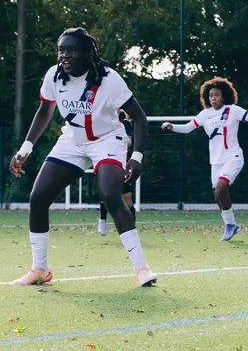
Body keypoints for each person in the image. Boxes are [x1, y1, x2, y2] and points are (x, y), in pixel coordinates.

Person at [8, 28, 156, 287]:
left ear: (88, 53)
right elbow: (44, 111)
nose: (65, 55)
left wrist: (137, 157)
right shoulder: (54, 76)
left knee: (111, 195)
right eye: (62, 50)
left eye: (72, 50)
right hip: (72, 141)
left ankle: (142, 268)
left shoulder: (109, 79)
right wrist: (25, 149)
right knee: (38, 197)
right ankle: (40, 269)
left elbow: (139, 117)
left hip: (107, 140)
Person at [161, 77, 248, 241]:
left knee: (221, 188)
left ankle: (230, 225)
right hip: (215, 161)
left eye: (216, 95)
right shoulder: (205, 114)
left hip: (233, 156)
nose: (213, 98)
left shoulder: (233, 110)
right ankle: (231, 225)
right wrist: (172, 126)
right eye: (210, 96)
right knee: (217, 195)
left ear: (224, 96)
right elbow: (188, 128)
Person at [98, 109, 136, 236]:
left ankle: (131, 228)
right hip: (105, 161)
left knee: (128, 200)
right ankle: (102, 219)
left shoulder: (125, 123)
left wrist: (120, 138)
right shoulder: (103, 120)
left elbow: (129, 142)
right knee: (107, 193)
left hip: (122, 163)